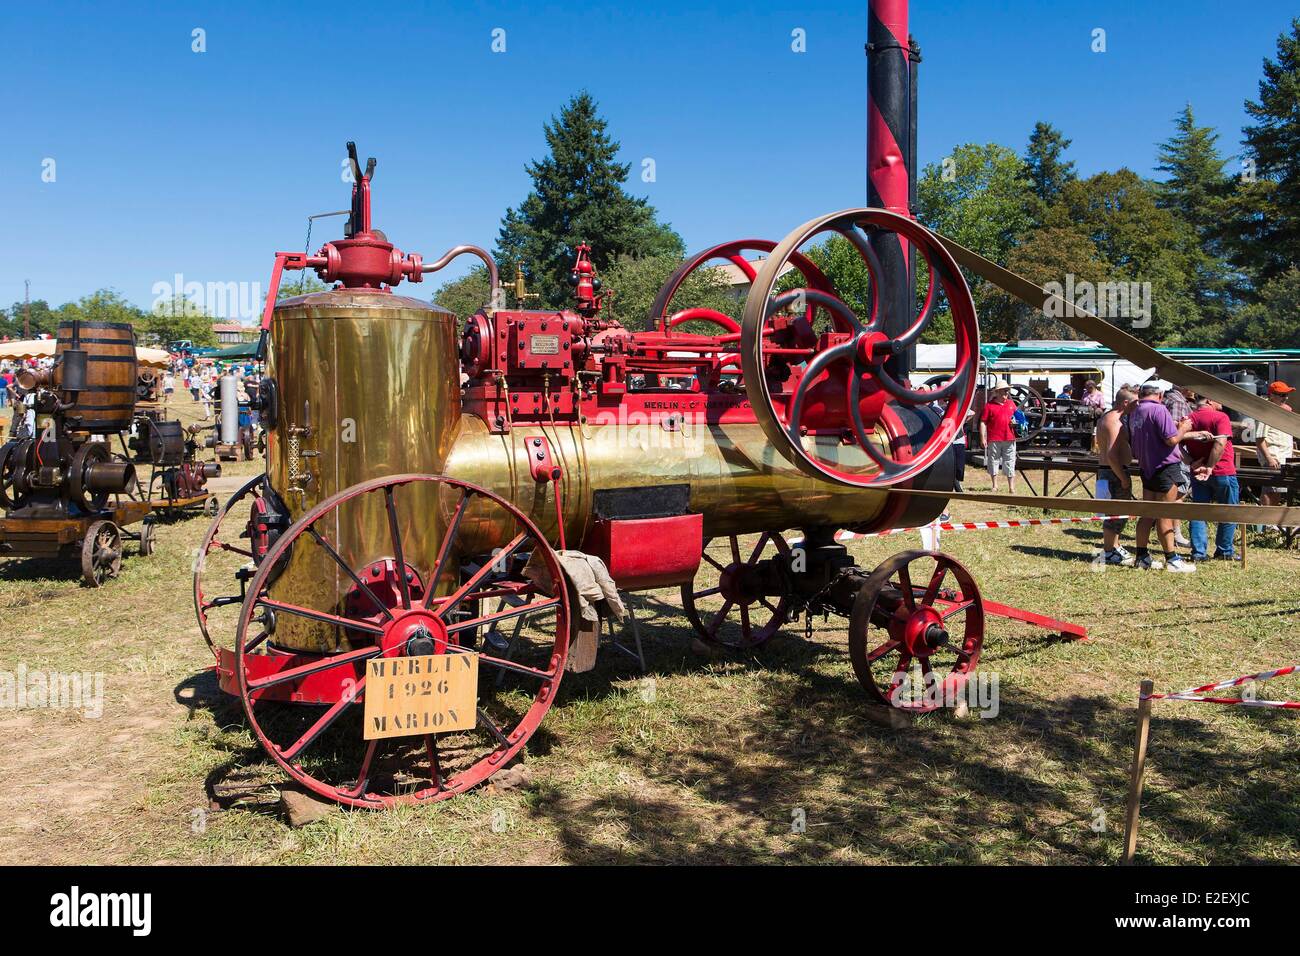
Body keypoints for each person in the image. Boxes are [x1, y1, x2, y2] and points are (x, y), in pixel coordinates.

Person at [1128, 381, 1211, 572]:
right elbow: (1171, 439)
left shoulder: (1137, 411)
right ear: (1160, 394)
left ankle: (1141, 557)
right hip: (1165, 467)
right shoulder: (1159, 409)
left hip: (1147, 467)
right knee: (1166, 513)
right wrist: (1184, 428)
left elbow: (1159, 432)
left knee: (1147, 513)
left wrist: (1186, 430)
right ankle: (1172, 560)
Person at [1182, 395, 1238, 561]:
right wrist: (1210, 467)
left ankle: (1198, 553)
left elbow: (1174, 443)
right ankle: (1225, 551)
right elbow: (1220, 444)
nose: (1221, 401)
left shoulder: (1188, 419)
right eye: (1218, 398)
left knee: (1199, 512)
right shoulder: (1221, 417)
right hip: (1223, 471)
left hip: (1198, 473)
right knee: (1229, 511)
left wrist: (1191, 462)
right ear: (1208, 400)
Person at [1095, 386, 1137, 565]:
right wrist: (1123, 478)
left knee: (1116, 513)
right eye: (1135, 402)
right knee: (1115, 513)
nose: (1138, 406)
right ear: (1125, 403)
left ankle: (1114, 546)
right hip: (1113, 472)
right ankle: (1109, 550)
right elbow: (1112, 455)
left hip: (1110, 471)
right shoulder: (1113, 421)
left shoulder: (1109, 417)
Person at [1255, 381, 1295, 515]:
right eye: (1282, 395)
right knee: (1269, 489)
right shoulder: (1265, 412)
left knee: (1278, 490)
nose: (1285, 398)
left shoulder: (1282, 411)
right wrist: (1269, 458)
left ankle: (1272, 521)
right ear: (1272, 395)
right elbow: (1260, 439)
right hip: (1273, 456)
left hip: (1282, 457)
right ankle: (1265, 520)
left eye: (1286, 394)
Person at [979, 382, 1018, 493]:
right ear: (997, 392)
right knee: (993, 462)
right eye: (1004, 390)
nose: (1007, 392)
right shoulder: (989, 406)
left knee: (1010, 462)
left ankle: (1011, 487)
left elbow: (1017, 418)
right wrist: (983, 438)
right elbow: (983, 422)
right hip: (994, 438)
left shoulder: (1011, 404)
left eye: (1007, 390)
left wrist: (1016, 423)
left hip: (1009, 438)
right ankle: (995, 485)